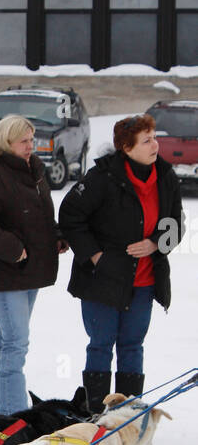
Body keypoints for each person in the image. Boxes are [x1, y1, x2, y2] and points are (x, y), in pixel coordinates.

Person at [57, 113, 184, 411]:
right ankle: (97, 415)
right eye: (147, 140)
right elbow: (71, 216)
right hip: (102, 280)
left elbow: (176, 224)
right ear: (126, 148)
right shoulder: (102, 177)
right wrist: (96, 255)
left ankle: (128, 414)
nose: (155, 145)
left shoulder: (166, 177)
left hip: (145, 281)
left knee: (132, 346)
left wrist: (155, 243)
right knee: (101, 345)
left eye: (154, 137)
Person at [0, 114, 64, 416]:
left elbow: (41, 216)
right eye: (24, 141)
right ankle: (13, 415)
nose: (30, 146)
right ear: (6, 142)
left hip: (29, 271)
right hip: (2, 272)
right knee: (16, 343)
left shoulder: (33, 170)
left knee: (6, 338)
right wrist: (12, 248)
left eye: (32, 140)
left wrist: (56, 236)